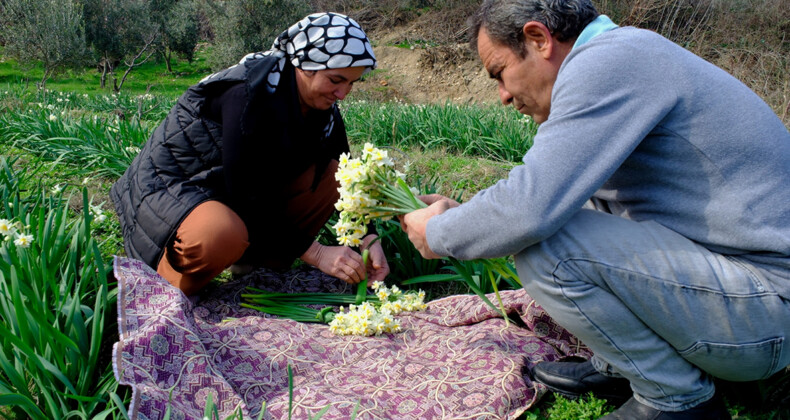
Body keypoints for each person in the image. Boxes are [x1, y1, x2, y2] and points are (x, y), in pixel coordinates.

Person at [400, 0, 790, 418]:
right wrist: (464, 215)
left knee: (547, 246)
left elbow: (531, 210)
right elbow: (556, 189)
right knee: (573, 208)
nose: (503, 96)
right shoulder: (623, 55)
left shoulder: (612, 62)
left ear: (538, 38)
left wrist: (439, 233)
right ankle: (624, 365)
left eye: (500, 72)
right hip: (749, 300)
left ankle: (675, 400)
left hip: (765, 316)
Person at [111, 12, 389, 296]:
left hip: (231, 193)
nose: (343, 94)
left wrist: (368, 239)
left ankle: (256, 267)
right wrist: (316, 253)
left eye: (352, 84)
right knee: (220, 234)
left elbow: (347, 178)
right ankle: (168, 286)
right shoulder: (247, 92)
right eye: (336, 80)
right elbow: (244, 189)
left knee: (334, 176)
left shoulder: (322, 109)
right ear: (306, 65)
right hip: (174, 188)